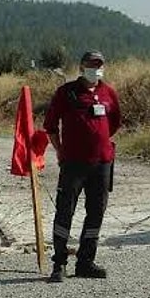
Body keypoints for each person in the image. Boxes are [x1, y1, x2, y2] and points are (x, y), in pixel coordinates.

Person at [43, 51, 121, 283]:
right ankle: (59, 263)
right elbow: (50, 126)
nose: (95, 69)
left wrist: (98, 142)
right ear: (81, 67)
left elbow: (114, 123)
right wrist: (60, 150)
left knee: (96, 212)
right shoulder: (66, 92)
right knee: (65, 211)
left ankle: (86, 261)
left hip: (102, 163)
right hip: (73, 163)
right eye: (91, 65)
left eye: (99, 65)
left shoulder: (108, 93)